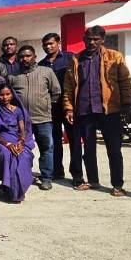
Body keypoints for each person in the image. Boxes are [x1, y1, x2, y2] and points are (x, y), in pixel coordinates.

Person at [63, 26, 131, 195]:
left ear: (102, 40)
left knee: (114, 149)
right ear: (84, 40)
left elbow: (125, 81)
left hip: (109, 110)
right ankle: (93, 181)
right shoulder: (76, 59)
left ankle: (117, 185)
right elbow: (69, 86)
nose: (91, 42)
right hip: (84, 110)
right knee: (89, 149)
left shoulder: (114, 57)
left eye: (95, 39)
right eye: (88, 39)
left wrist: (127, 103)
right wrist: (69, 108)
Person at [7, 45, 61, 191]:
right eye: (22, 56)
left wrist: (46, 104)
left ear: (34, 57)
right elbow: (9, 97)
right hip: (22, 121)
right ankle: (25, 175)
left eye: (28, 56)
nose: (25, 59)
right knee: (23, 149)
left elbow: (56, 92)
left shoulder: (46, 71)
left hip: (43, 119)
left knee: (46, 148)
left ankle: (46, 177)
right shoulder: (13, 77)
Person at [0, 84, 35, 203]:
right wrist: (6, 144)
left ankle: (18, 191)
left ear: (12, 95)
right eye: (2, 95)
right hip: (0, 141)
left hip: (16, 140)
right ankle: (8, 190)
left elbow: (22, 130)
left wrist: (21, 142)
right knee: (6, 155)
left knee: (24, 156)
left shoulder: (18, 110)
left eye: (8, 94)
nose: (5, 97)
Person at [39, 33, 75, 181]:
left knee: (73, 139)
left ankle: (76, 174)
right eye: (45, 44)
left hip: (68, 105)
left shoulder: (70, 58)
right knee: (54, 140)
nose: (48, 46)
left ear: (58, 43)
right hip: (51, 108)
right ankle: (57, 171)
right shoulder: (41, 65)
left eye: (51, 43)